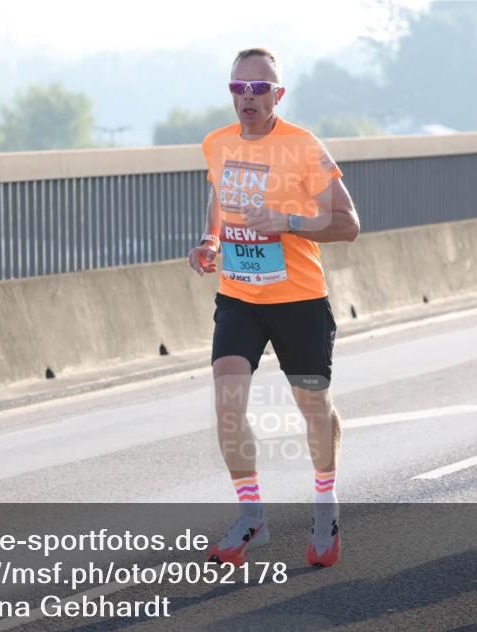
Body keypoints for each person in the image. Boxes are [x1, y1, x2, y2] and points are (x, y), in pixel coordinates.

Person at [187, 47, 360, 568]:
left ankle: (325, 508)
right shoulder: (217, 144)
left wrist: (289, 223)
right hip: (239, 297)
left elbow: (348, 224)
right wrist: (211, 239)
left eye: (259, 88)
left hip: (298, 301)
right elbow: (220, 197)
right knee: (227, 402)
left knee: (314, 408)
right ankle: (252, 516)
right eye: (239, 88)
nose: (248, 97)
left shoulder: (303, 147)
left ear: (277, 95)